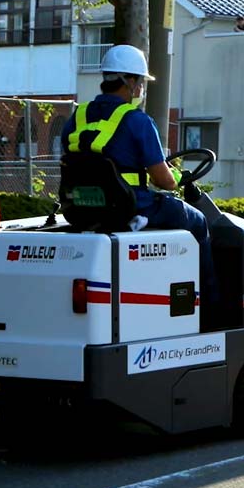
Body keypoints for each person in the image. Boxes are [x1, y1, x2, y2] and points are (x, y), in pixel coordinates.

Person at [61, 44, 217, 304]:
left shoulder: (77, 117)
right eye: (141, 82)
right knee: (198, 221)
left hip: (82, 207)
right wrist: (177, 177)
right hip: (133, 207)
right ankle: (211, 307)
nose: (142, 89)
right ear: (129, 81)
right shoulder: (138, 121)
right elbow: (163, 181)